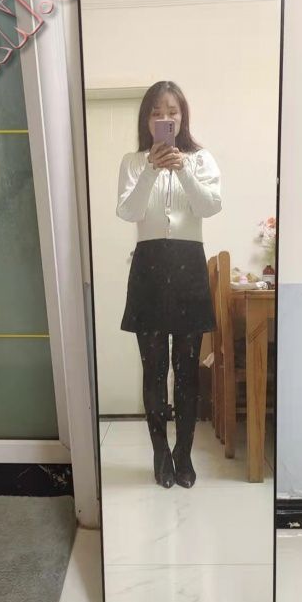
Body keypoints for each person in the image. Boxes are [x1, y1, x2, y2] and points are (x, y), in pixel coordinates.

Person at [116, 80, 222, 488]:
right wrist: (150, 169)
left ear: (183, 116)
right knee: (155, 369)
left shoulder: (200, 159)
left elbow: (210, 206)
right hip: (149, 267)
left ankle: (184, 454)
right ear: (147, 119)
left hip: (188, 266)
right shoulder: (133, 161)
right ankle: (161, 453)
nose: (165, 118)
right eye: (157, 112)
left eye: (172, 112)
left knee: (187, 370)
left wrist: (182, 170)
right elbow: (129, 211)